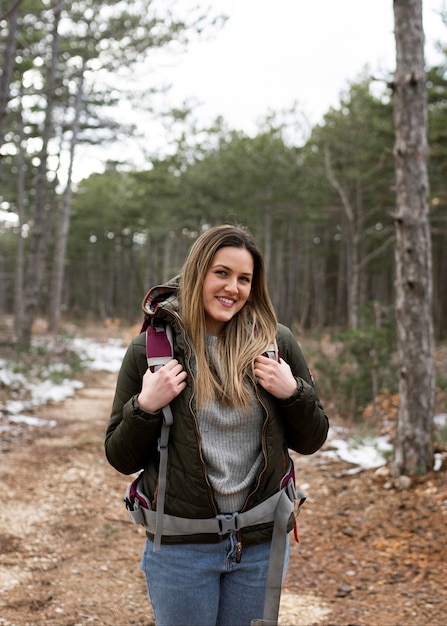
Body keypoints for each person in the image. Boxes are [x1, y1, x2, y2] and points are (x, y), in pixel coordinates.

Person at [105, 224, 329, 626]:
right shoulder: (150, 351)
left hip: (260, 546)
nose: (233, 288)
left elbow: (312, 439)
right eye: (221, 273)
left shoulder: (277, 344)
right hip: (180, 551)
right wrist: (144, 406)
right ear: (197, 274)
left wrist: (293, 391)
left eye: (245, 279)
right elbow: (120, 457)